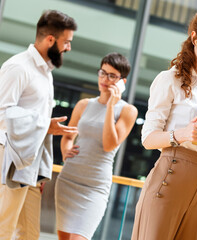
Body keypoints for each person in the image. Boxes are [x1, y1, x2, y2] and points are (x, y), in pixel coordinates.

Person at [131, 6, 197, 240]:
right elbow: (147, 138)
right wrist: (183, 134)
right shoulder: (170, 79)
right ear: (194, 37)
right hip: (171, 173)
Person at [0, 10, 77, 240]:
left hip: (30, 163)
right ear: (50, 40)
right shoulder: (18, 67)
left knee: (30, 234)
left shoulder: (45, 72)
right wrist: (45, 126)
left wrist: (39, 170)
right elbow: (2, 113)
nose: (68, 48)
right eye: (67, 42)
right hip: (10, 158)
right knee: (4, 227)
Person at [55, 52, 138, 240]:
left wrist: (110, 106)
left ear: (122, 82)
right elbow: (68, 136)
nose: (105, 79)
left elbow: (110, 144)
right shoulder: (84, 104)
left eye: (112, 76)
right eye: (103, 73)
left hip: (95, 186)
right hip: (69, 180)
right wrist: (66, 149)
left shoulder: (128, 111)